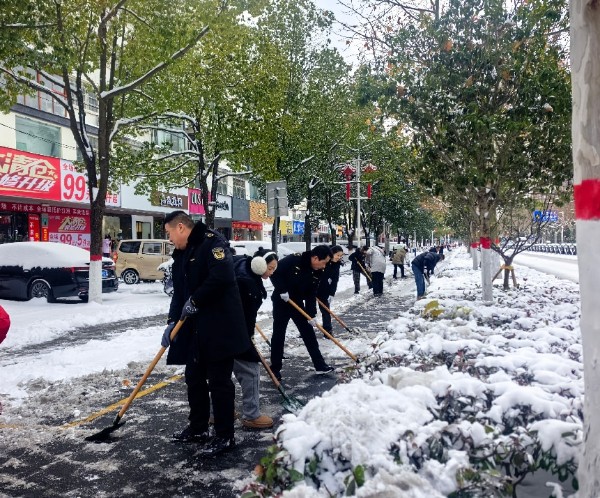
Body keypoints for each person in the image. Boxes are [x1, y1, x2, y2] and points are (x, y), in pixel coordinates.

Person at [161, 210, 250, 457]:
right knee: (194, 378)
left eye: (169, 233)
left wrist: (196, 300)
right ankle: (198, 428)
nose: (169, 239)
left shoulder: (212, 243)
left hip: (219, 326)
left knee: (219, 382)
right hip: (196, 329)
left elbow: (222, 277)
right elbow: (179, 292)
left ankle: (225, 435)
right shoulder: (181, 252)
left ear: (181, 227)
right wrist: (172, 321)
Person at [269, 245, 334, 381]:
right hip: (282, 301)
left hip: (297, 303)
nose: (324, 266)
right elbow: (275, 273)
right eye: (323, 262)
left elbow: (311, 293)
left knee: (308, 332)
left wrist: (311, 315)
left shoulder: (317, 271)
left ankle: (319, 365)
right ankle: (275, 369)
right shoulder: (294, 260)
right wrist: (282, 290)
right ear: (315, 258)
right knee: (279, 334)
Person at [232, 249, 278, 430]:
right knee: (251, 371)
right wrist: (248, 338)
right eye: (270, 268)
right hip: (234, 332)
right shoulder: (247, 282)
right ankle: (251, 415)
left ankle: (218, 411)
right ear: (259, 264)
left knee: (221, 373)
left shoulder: (242, 267)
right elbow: (243, 314)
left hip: (220, 331)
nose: (272, 272)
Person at [317, 245, 344, 336]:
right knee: (309, 311)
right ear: (332, 254)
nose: (339, 257)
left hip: (324, 290)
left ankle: (328, 331)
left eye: (341, 256)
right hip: (314, 288)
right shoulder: (324, 261)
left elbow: (335, 280)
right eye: (338, 255)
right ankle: (305, 331)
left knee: (326, 311)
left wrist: (331, 294)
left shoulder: (336, 265)